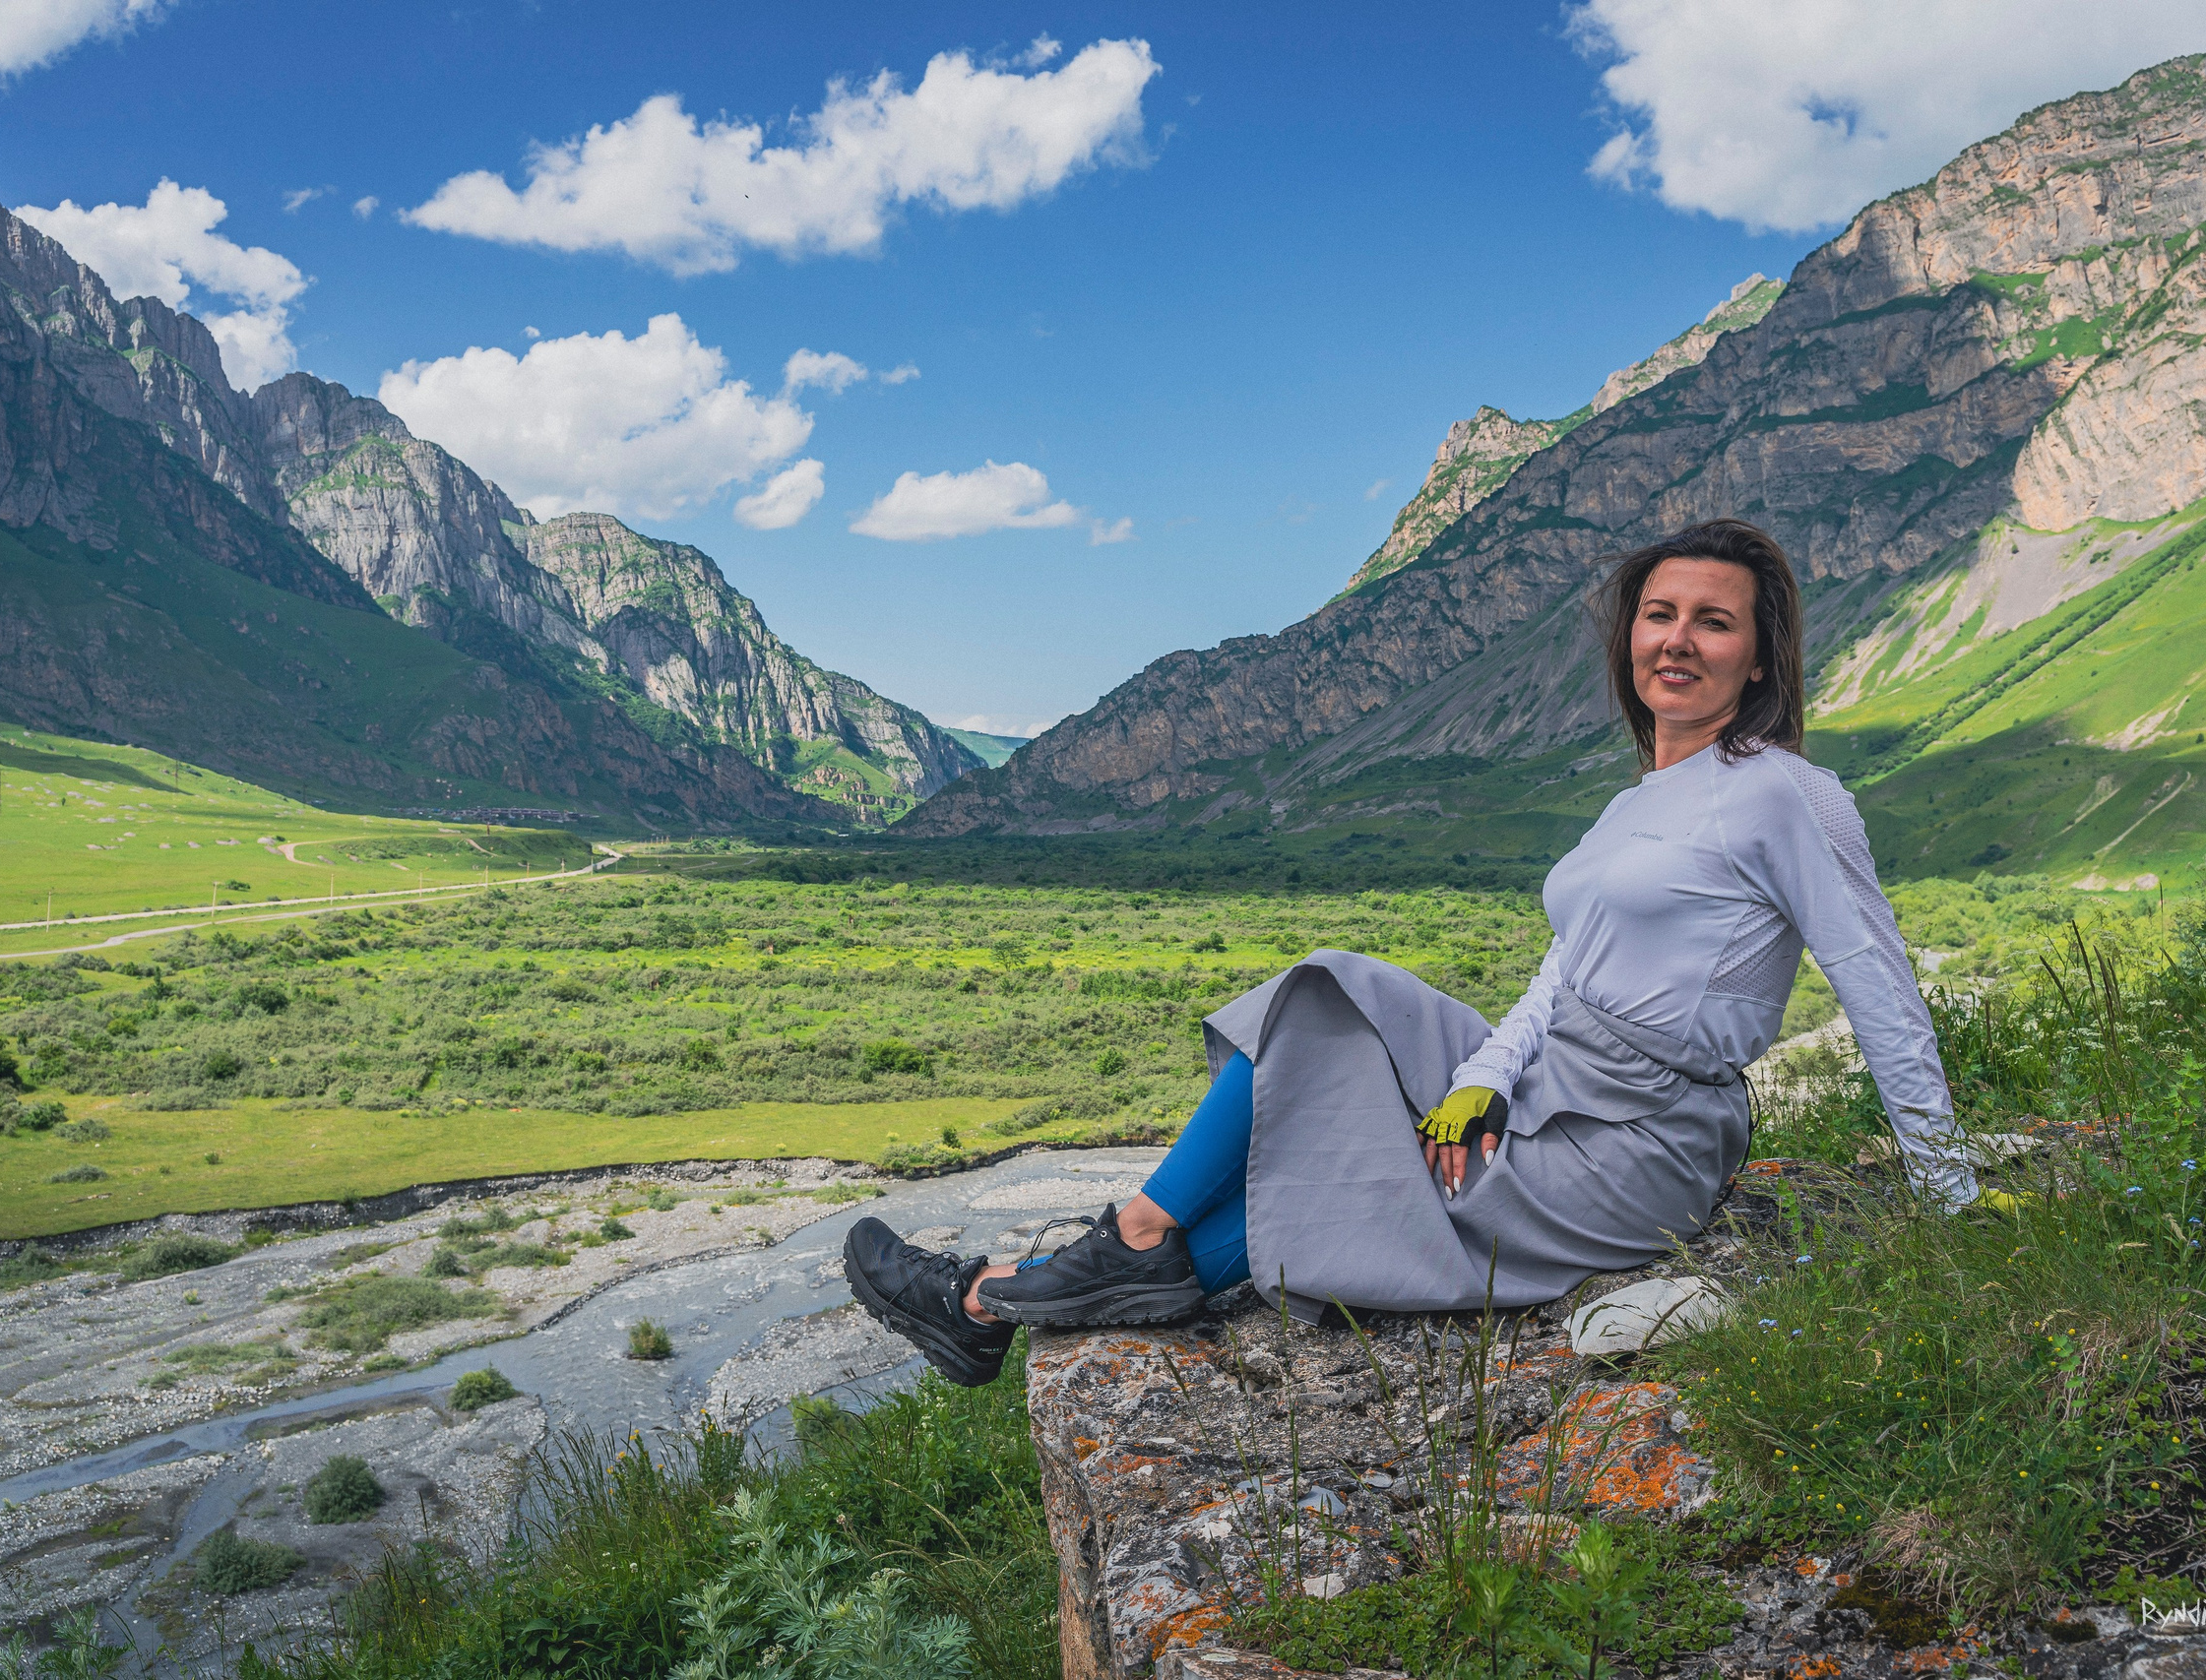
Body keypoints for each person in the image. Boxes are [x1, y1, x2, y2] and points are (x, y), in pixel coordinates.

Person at [845, 519, 1981, 1388]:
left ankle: (1010, 1293)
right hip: (1544, 1075)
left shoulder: (1790, 796)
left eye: (1713, 621)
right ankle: (1083, 1265)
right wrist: (1483, 1077)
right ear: (1629, 637)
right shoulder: (1642, 801)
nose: (1676, 639)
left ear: (1759, 660)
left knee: (1345, 1155)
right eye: (1658, 613)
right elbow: (1561, 971)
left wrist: (1949, 1205)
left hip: (1636, 1136)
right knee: (1328, 992)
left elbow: (1878, 991)